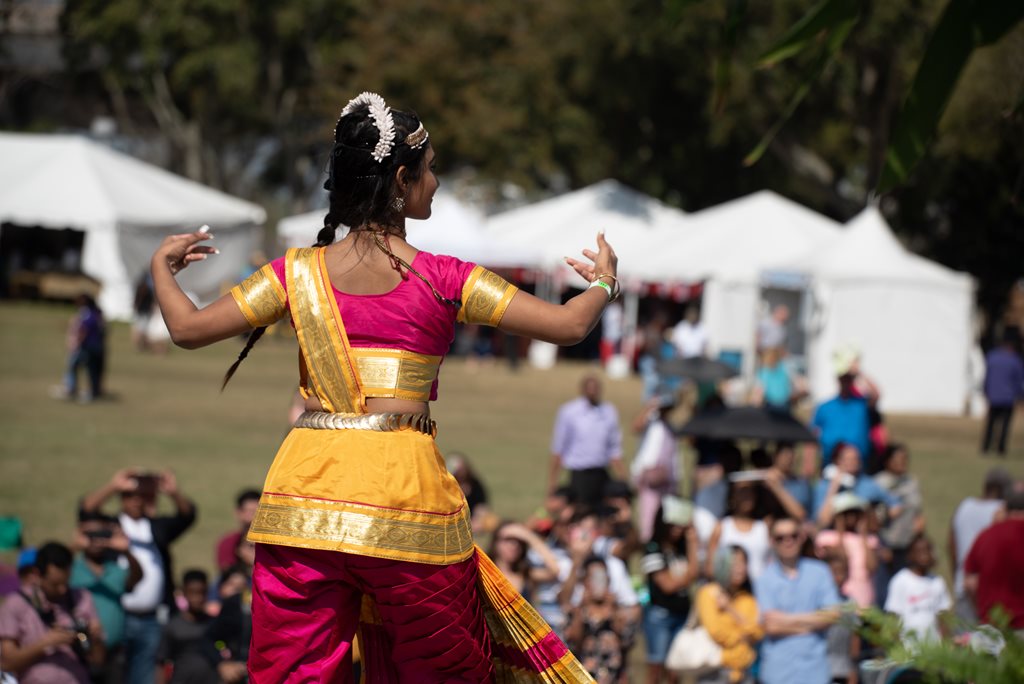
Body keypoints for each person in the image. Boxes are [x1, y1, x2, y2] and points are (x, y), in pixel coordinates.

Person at [149, 91, 612, 681]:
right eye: (432, 168)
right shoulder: (448, 278)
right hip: (405, 506)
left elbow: (186, 329)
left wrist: (161, 270)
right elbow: (571, 324)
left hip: (302, 504)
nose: (437, 183)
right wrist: (606, 283)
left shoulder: (294, 273)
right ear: (401, 178)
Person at [80, 469, 196, 684]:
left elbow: (187, 516)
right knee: (115, 672)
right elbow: (86, 510)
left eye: (141, 497)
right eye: (130, 496)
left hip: (152, 618)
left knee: (145, 673)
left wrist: (173, 492)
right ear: (122, 499)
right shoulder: (111, 526)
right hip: (119, 614)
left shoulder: (155, 527)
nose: (135, 501)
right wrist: (113, 486)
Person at [0, 542, 106, 684]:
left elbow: (99, 661)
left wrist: (95, 639)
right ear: (37, 574)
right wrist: (46, 643)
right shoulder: (16, 605)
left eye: (66, 583)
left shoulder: (81, 598)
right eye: (55, 585)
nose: (62, 590)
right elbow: (7, 663)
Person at [755, 517, 842, 684]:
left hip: (815, 671)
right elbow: (771, 626)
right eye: (781, 537)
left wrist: (786, 619)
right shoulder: (764, 578)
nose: (788, 541)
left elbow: (832, 615)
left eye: (793, 535)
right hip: (778, 672)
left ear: (802, 537)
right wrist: (814, 621)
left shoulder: (820, 572)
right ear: (772, 541)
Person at [69, 510, 143, 681]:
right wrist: (74, 547)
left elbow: (137, 577)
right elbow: (52, 569)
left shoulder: (115, 569)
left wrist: (127, 552)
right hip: (80, 652)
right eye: (90, 534)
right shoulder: (72, 568)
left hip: (113, 654)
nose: (95, 540)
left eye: (101, 534)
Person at [640, 496, 700, 684]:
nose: (678, 529)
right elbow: (667, 585)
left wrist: (692, 542)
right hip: (659, 616)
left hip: (682, 614)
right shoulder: (652, 549)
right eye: (673, 524)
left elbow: (694, 572)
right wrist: (689, 575)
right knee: (656, 670)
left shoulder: (680, 549)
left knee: (675, 671)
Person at [549, 375, 626, 506]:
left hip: (601, 471)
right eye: (589, 388)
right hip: (580, 472)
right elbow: (559, 448)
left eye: (595, 388)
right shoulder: (570, 412)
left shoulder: (608, 412)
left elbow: (614, 449)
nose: (593, 391)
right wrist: (552, 484)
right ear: (582, 390)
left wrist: (623, 477)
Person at [948, 467, 1009, 624]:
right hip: (991, 593)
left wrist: (957, 575)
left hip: (963, 585)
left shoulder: (964, 506)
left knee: (964, 642)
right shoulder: (1002, 511)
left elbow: (952, 547)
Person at [694, 547, 762, 684]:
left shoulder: (748, 598)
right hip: (715, 672)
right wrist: (743, 637)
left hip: (744, 673)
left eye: (744, 563)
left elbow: (757, 632)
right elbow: (716, 632)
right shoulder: (708, 593)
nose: (740, 569)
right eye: (735, 563)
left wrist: (730, 608)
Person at [963, 486, 1024, 629]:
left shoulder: (985, 536)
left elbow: (969, 583)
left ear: (1005, 508)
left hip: (991, 627)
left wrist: (981, 609)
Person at [630, 394, 682, 542]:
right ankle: (648, 547)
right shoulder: (651, 423)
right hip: (650, 481)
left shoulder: (671, 427)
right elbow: (635, 427)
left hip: (668, 482)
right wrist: (650, 407)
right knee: (648, 519)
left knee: (669, 518)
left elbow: (675, 456)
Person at [814, 493, 879, 609]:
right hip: (840, 597)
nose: (851, 517)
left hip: (865, 597)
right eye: (846, 514)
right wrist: (840, 532)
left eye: (855, 513)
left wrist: (863, 535)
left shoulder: (870, 540)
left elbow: (872, 567)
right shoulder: (826, 538)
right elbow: (842, 559)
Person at [813, 443, 901, 528]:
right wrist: (834, 487)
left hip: (864, 536)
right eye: (848, 459)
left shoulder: (869, 484)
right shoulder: (825, 485)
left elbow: (895, 505)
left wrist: (881, 521)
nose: (853, 462)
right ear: (838, 461)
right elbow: (823, 520)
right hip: (834, 536)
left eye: (856, 459)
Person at [884, 535, 951, 643]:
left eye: (927, 550)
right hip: (909, 648)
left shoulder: (937, 581)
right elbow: (893, 616)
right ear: (910, 555)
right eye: (919, 551)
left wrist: (947, 642)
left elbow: (944, 616)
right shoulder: (900, 581)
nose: (925, 556)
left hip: (933, 647)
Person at [155, 570, 217, 684]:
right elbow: (160, 662)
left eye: (201, 592)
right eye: (192, 592)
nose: (197, 598)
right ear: (183, 593)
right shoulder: (173, 626)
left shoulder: (214, 624)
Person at [705, 481, 772, 582]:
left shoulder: (764, 527)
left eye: (750, 492)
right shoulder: (722, 527)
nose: (747, 496)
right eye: (742, 492)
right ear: (732, 496)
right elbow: (710, 568)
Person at [812, 370, 871, 472]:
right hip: (830, 463)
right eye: (843, 380)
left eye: (849, 380)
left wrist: (859, 371)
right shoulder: (824, 406)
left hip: (858, 465)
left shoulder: (861, 404)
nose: (846, 383)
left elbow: (876, 394)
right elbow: (812, 434)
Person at [488, 521, 561, 602]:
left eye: (519, 541)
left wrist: (529, 537)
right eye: (508, 539)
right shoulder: (484, 571)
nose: (514, 545)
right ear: (495, 542)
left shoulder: (526, 574)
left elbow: (555, 571)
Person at [981, 330, 1023, 456]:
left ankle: (986, 447)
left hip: (994, 396)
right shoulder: (1015, 360)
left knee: (990, 423)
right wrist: (1020, 395)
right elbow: (1019, 380)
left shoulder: (992, 357)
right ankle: (1001, 448)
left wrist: (986, 390)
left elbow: (987, 376)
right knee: (1004, 425)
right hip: (1008, 397)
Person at [60, 294, 106, 402]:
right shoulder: (98, 313)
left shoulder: (87, 314)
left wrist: (75, 343)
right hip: (98, 346)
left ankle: (72, 388)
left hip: (88, 347)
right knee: (94, 370)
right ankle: (94, 391)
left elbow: (83, 329)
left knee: (74, 365)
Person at [446, 452, 496, 535]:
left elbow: (481, 506)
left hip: (473, 519)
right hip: (453, 519)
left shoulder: (474, 483)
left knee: (492, 522)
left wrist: (477, 520)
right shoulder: (447, 485)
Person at [215, 489, 261, 573]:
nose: (254, 516)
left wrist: (254, 562)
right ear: (238, 512)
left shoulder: (271, 542)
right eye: (249, 511)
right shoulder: (229, 542)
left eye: (257, 511)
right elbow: (226, 573)